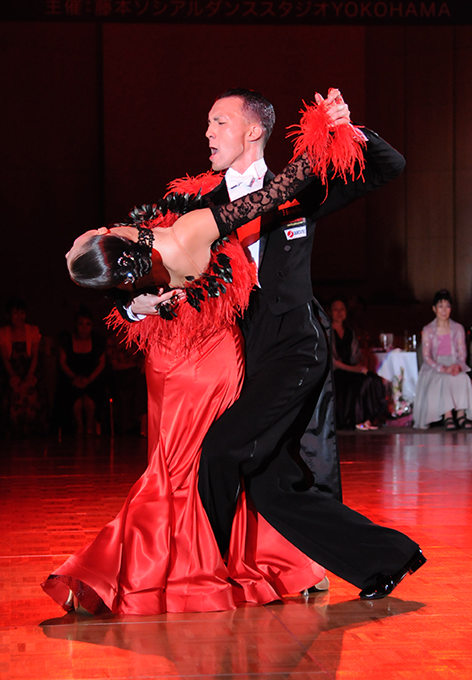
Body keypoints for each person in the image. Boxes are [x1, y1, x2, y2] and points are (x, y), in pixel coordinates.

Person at [45, 91, 427, 609]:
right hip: (239, 354)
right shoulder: (197, 200)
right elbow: (135, 263)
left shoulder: (297, 188)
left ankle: (200, 573)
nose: (207, 132)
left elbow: (388, 167)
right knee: (272, 485)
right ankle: (384, 559)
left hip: (294, 344)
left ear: (252, 131)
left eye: (218, 122)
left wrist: (349, 127)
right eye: (206, 122)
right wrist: (139, 304)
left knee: (225, 451)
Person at [414, 289, 472, 430]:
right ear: (434, 308)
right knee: (444, 378)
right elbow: (427, 356)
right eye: (440, 306)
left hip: (454, 363)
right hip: (434, 366)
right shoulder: (428, 330)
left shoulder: (458, 328)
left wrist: (457, 366)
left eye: (447, 306)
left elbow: (462, 354)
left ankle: (461, 414)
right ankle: (447, 416)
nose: (444, 310)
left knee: (463, 378)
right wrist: (443, 368)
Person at [330, 297, 387, 430]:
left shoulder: (350, 332)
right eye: (335, 309)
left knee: (373, 379)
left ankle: (368, 418)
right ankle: (357, 419)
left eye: (342, 309)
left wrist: (361, 365)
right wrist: (354, 369)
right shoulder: (326, 332)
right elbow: (333, 361)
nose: (339, 312)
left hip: (352, 369)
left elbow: (356, 355)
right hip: (336, 372)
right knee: (359, 382)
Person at [55, 307, 106, 435]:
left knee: (90, 400)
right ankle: (79, 426)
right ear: (75, 325)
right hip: (71, 379)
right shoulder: (67, 341)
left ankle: (89, 426)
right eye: (81, 324)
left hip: (92, 379)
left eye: (88, 324)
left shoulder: (97, 341)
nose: (84, 328)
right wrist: (74, 377)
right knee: (76, 400)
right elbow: (62, 362)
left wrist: (89, 379)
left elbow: (101, 363)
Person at [0, 297, 47, 436]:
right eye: (15, 313)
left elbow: (34, 355)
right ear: (9, 315)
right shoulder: (3, 332)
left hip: (29, 368)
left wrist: (30, 374)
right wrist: (12, 376)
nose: (19, 317)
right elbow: (5, 358)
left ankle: (32, 428)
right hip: (11, 371)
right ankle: (12, 429)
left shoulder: (32, 330)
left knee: (33, 391)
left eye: (21, 313)